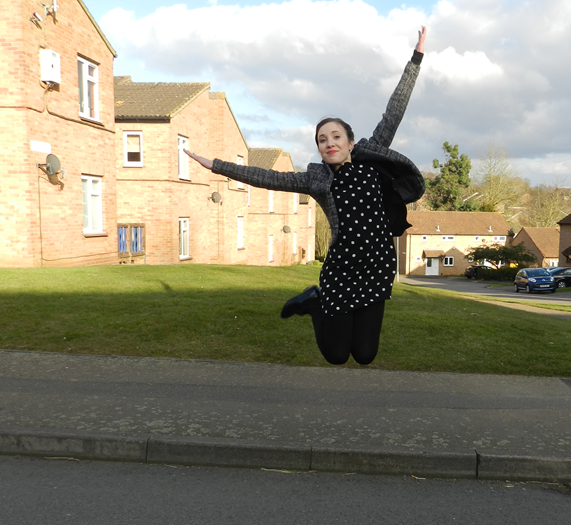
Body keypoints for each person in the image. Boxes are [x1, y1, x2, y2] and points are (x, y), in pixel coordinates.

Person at [185, 27, 427, 366]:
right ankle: (315, 302)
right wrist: (217, 165)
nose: (329, 142)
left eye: (336, 136)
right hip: (342, 270)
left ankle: (321, 305)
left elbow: (395, 110)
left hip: (376, 267)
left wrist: (416, 58)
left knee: (366, 354)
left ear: (350, 142)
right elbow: (268, 177)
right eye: (322, 139)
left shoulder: (371, 156)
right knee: (336, 355)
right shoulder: (317, 179)